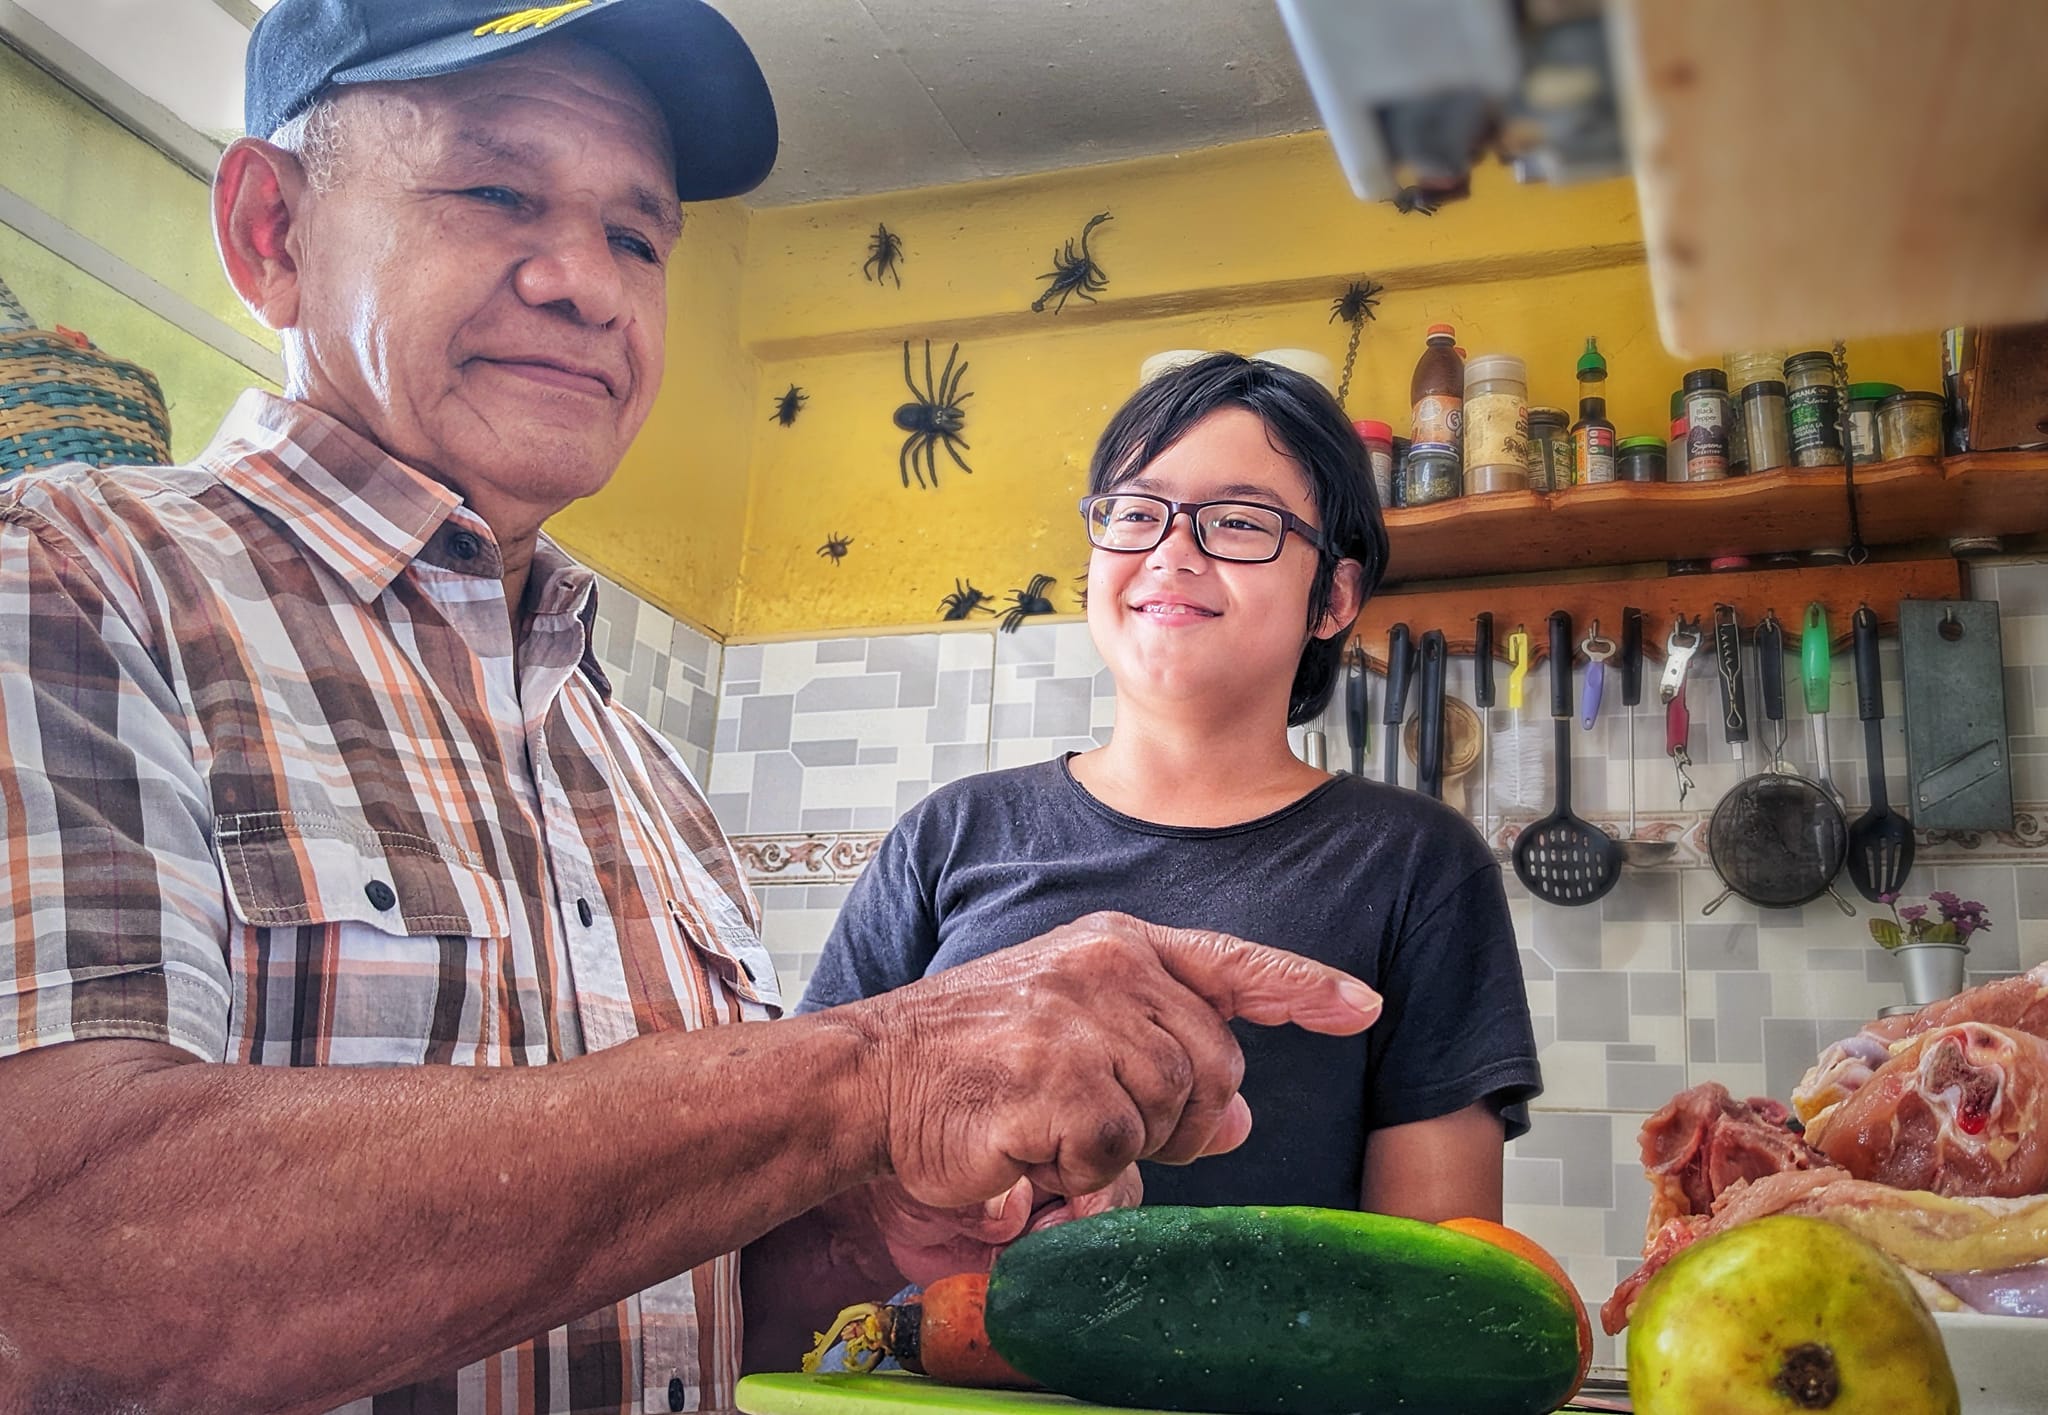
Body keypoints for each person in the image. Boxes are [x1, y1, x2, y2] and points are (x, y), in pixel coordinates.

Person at [0, 6, 1385, 1410]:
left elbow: (687, 1298)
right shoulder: (67, 578)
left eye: (639, 238)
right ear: (270, 233)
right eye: (496, 191)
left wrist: (877, 1227)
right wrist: (877, 1071)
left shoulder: (640, 774)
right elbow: (50, 1257)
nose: (587, 285)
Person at [802, 354, 1540, 1221]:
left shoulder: (1417, 862)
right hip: (934, 1351)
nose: (1170, 551)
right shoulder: (950, 834)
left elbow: (1435, 1279)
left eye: (1235, 522)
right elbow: (803, 1161)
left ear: (1334, 596)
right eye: (1136, 512)